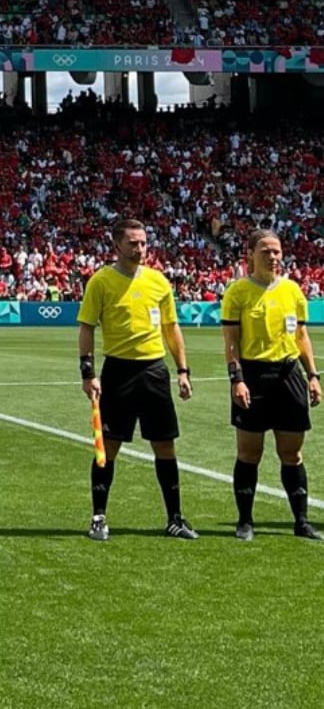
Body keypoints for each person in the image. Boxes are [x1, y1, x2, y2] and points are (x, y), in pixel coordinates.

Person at [77, 218, 197, 542]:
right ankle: (99, 517)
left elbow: (172, 328)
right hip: (118, 372)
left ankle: (174, 518)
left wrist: (182, 370)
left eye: (143, 242)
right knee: (109, 446)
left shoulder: (159, 282)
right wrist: (88, 373)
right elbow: (87, 327)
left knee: (165, 445)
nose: (139, 248)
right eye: (133, 242)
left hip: (154, 371)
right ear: (117, 245)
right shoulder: (100, 281)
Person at [221, 229, 322, 541]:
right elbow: (231, 342)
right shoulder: (237, 292)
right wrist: (236, 380)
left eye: (277, 251)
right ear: (250, 254)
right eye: (265, 250)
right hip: (252, 376)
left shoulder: (293, 291)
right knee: (249, 452)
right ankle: (245, 521)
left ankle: (302, 522)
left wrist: (313, 375)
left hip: (289, 375)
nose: (273, 256)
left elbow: (301, 337)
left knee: (291, 453)